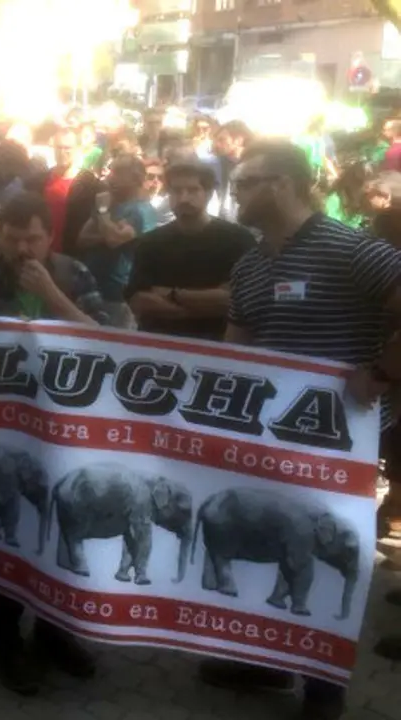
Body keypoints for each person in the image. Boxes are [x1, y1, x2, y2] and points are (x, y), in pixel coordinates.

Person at [213, 139, 401, 720]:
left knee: (321, 554)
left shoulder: (350, 249)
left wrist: (384, 371)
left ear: (283, 183)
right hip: (271, 440)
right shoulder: (249, 264)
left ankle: (324, 688)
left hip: (340, 446)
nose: (235, 194)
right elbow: (236, 347)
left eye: (245, 183)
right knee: (272, 545)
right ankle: (267, 661)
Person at [0, 192, 103, 694]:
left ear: (50, 237)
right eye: (12, 239)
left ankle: (54, 630)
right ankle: (6, 636)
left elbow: (106, 341)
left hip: (61, 428)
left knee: (59, 525)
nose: (22, 249)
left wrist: (53, 297)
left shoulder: (75, 275)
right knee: (0, 530)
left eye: (32, 239)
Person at [125, 161, 253, 340]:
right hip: (159, 343)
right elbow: (139, 301)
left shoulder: (238, 239)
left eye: (192, 190)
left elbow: (234, 301)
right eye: (176, 191)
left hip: (216, 344)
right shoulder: (150, 242)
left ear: (208, 194)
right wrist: (204, 305)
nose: (183, 198)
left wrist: (172, 294)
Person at [76, 154, 156, 329]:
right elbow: (82, 239)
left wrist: (103, 212)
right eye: (111, 171)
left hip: (119, 295)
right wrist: (106, 232)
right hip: (93, 289)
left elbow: (113, 240)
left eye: (118, 172)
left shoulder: (141, 210)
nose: (111, 177)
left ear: (136, 178)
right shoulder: (111, 203)